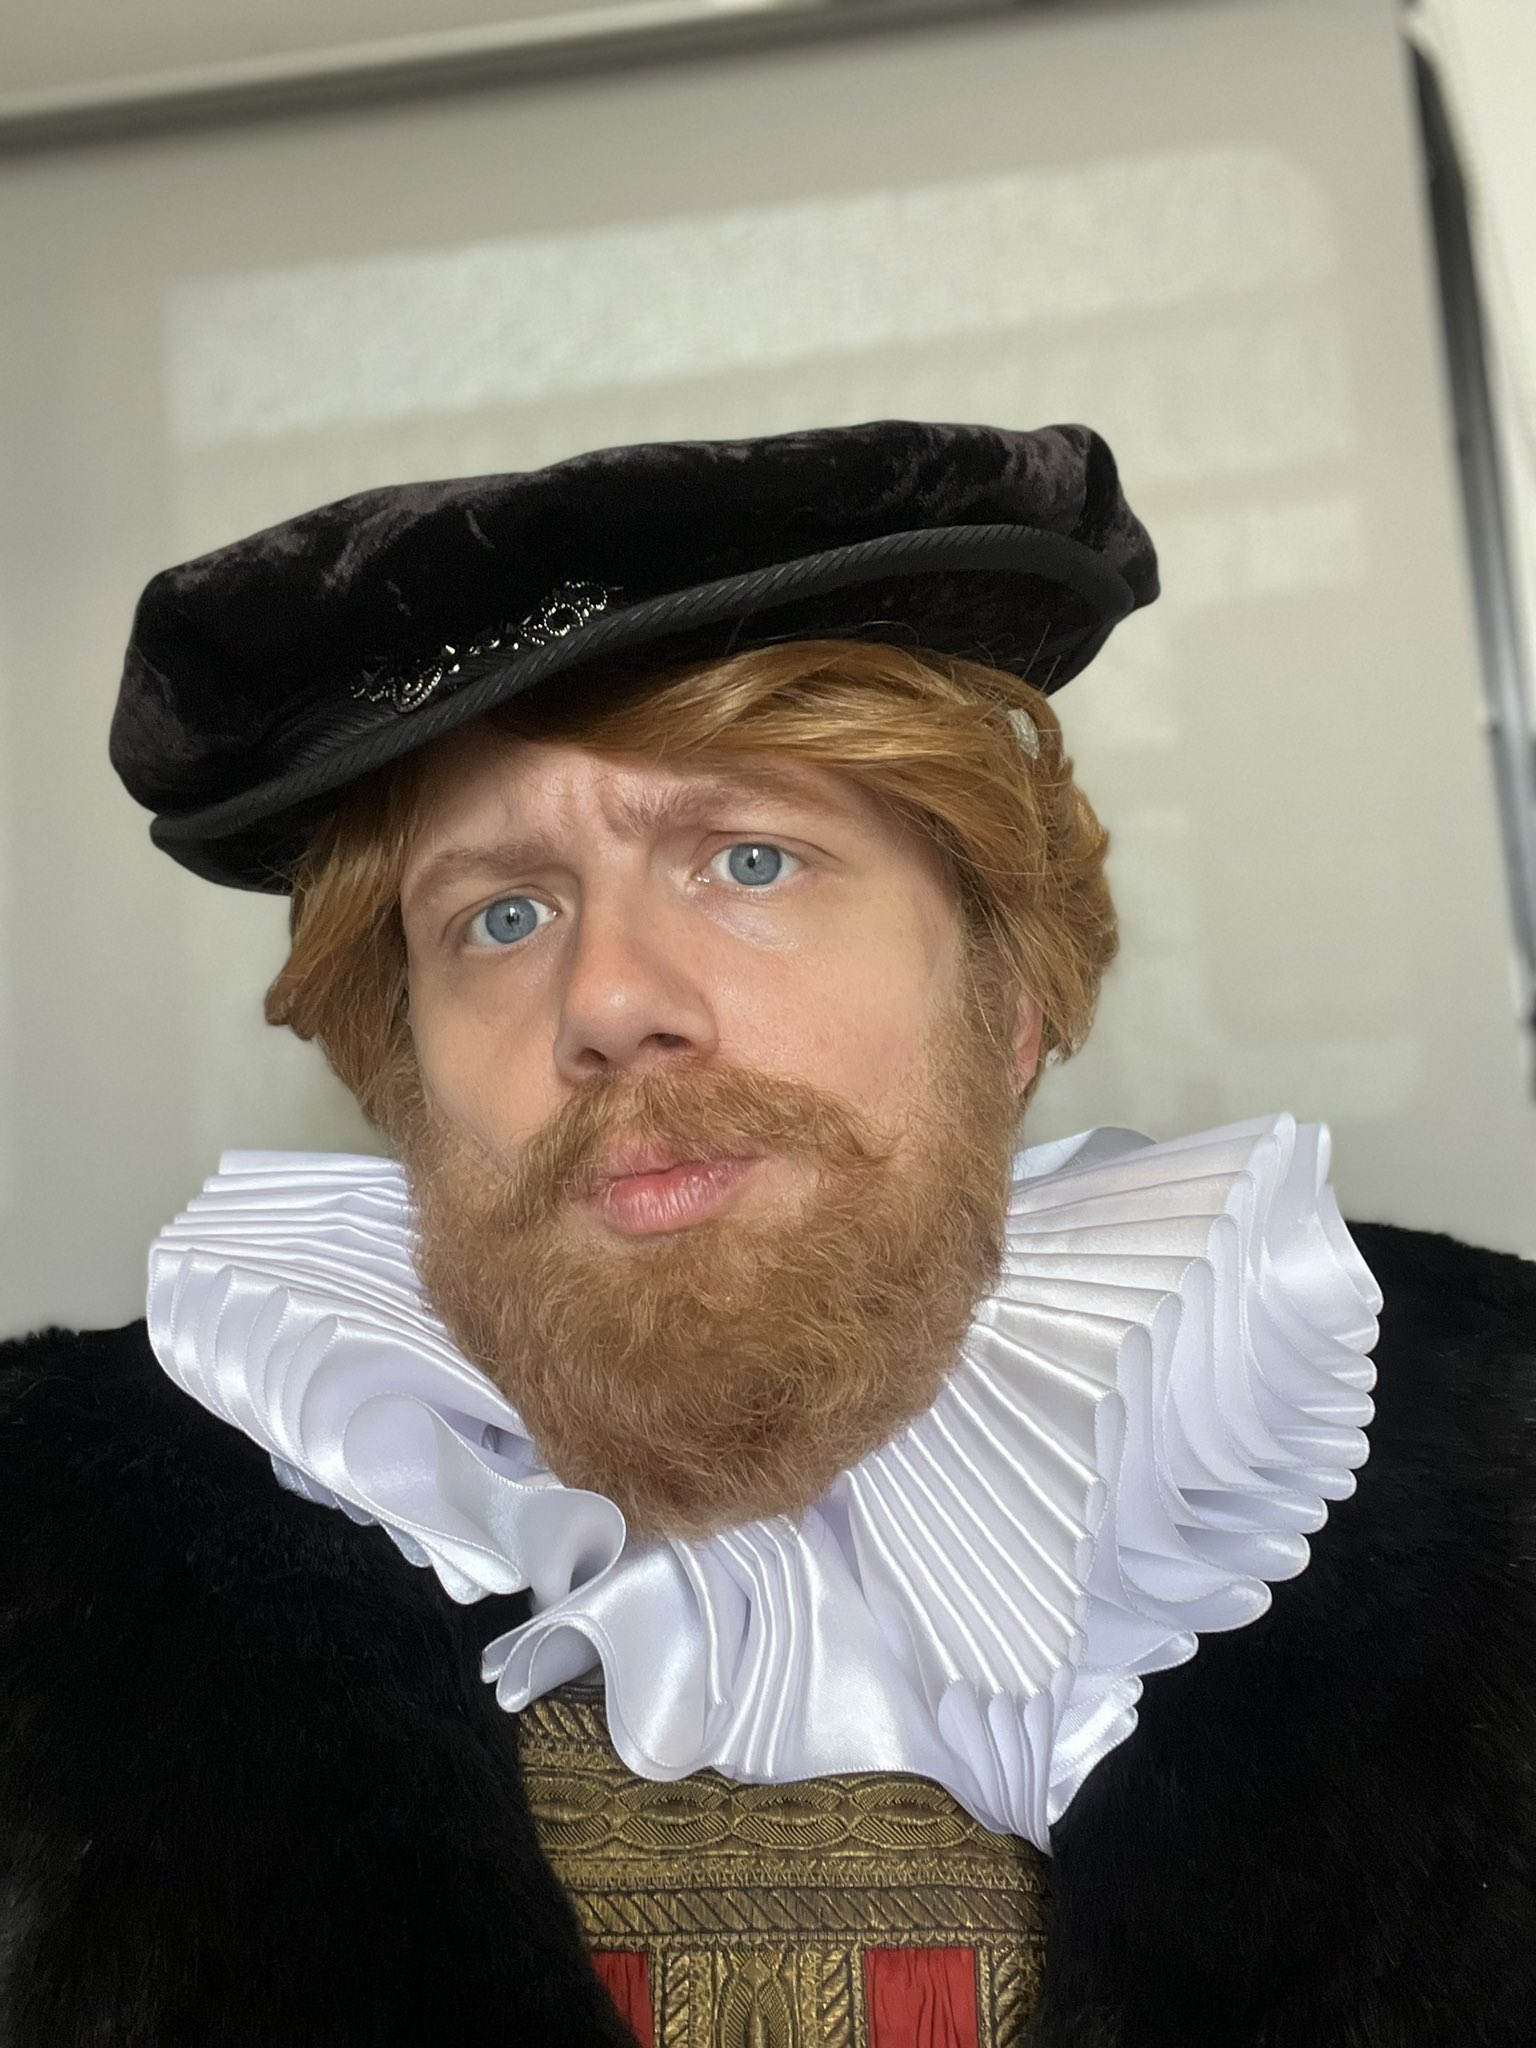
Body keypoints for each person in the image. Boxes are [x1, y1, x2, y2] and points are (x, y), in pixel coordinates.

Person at [2, 420, 1532, 2048]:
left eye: (751, 859)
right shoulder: (56, 1550)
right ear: (404, 1074)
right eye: (500, 916)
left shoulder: (1478, 1446)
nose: (608, 1000)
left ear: (1009, 998)